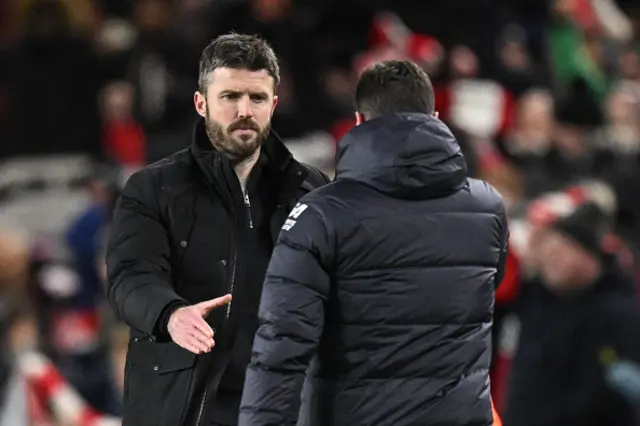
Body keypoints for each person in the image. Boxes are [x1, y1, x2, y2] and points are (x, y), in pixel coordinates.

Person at [239, 59, 509, 426]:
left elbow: (281, 347)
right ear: (434, 115)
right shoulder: (487, 207)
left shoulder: (320, 216)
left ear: (359, 121)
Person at [106, 33, 329, 426]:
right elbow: (131, 276)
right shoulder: (153, 188)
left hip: (282, 406)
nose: (245, 110)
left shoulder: (312, 192)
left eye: (257, 98)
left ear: (273, 104)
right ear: (201, 103)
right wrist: (170, 314)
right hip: (182, 406)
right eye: (230, 97)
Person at [503, 201, 640, 426]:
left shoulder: (616, 311)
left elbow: (617, 392)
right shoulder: (536, 298)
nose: (551, 259)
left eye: (560, 250)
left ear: (586, 254)